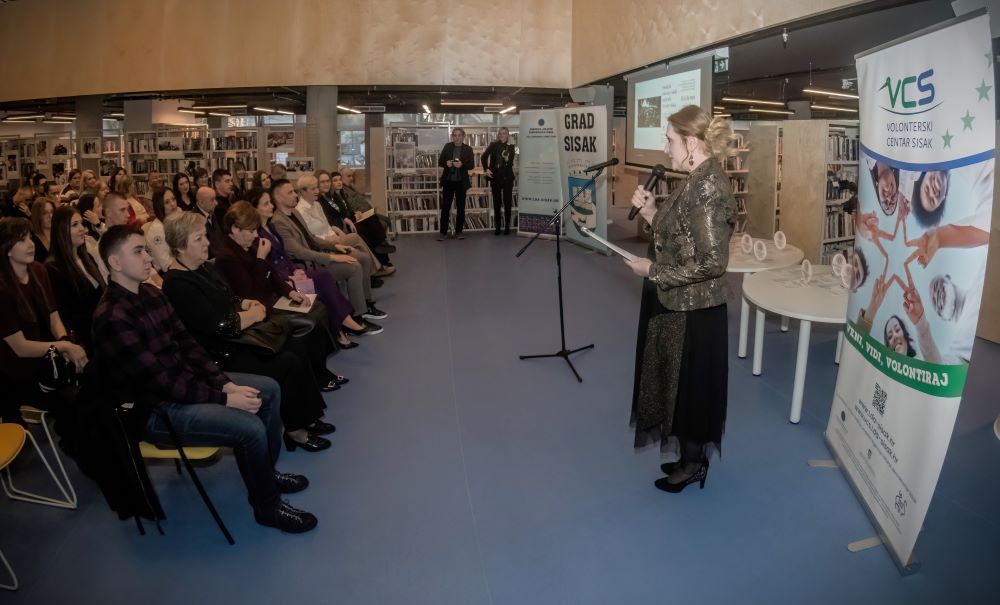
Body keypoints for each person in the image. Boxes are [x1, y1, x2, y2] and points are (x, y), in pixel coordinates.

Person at [92, 225, 318, 533]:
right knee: (250, 427)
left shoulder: (151, 293)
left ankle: (266, 473)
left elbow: (188, 345)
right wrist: (225, 399)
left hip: (184, 386)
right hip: (155, 411)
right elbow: (161, 383)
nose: (148, 258)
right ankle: (268, 508)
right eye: (138, 251)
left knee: (269, 389)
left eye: (146, 249)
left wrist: (225, 383)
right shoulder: (112, 317)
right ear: (115, 262)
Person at [625, 105, 737, 493]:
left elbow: (712, 262)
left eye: (670, 139)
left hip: (696, 311)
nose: (665, 147)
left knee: (690, 389)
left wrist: (654, 272)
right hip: (681, 304)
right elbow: (681, 236)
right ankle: (690, 456)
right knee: (680, 386)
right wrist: (651, 212)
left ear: (691, 143)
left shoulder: (707, 188)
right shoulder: (695, 179)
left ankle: (693, 466)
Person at [161, 211, 336, 452]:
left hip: (235, 340)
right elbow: (219, 326)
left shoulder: (198, 268)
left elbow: (226, 295)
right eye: (198, 239)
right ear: (180, 246)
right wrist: (253, 315)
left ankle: (307, 418)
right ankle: (296, 431)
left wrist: (244, 303)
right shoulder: (177, 283)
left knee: (296, 347)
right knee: (286, 362)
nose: (207, 243)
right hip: (219, 354)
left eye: (205, 236)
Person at [245, 189, 380, 342]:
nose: (271, 206)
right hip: (290, 274)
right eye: (266, 204)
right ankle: (350, 322)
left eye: (270, 202)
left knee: (341, 266)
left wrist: (333, 248)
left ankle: (351, 318)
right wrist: (330, 257)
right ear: (254, 209)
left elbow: (304, 242)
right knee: (336, 272)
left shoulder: (275, 225)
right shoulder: (268, 228)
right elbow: (289, 256)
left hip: (297, 268)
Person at [0, 217, 87, 429]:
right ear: (7, 249)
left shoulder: (39, 270)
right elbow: (20, 348)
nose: (31, 244)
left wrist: (65, 342)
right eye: (22, 240)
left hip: (49, 357)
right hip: (20, 371)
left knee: (91, 380)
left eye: (30, 238)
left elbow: (53, 315)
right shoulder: (3, 288)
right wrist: (64, 347)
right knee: (74, 400)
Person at [270, 179, 387, 324]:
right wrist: (332, 257)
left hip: (318, 254)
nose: (295, 195)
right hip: (307, 265)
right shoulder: (278, 222)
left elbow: (311, 238)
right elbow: (299, 252)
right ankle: (358, 315)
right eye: (290, 192)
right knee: (354, 266)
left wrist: (335, 247)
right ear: (279, 198)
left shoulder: (294, 213)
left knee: (362, 258)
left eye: (294, 191)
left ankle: (367, 303)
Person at [296, 175, 388, 282]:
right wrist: (328, 238)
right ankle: (374, 269)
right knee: (361, 246)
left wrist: (333, 234)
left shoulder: (317, 204)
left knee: (358, 237)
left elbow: (327, 225)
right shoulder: (300, 211)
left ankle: (372, 269)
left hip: (334, 236)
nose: (317, 191)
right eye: (313, 189)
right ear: (303, 191)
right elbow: (310, 236)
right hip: (324, 245)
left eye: (317, 187)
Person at [45, 205, 106, 352]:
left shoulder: (87, 257)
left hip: (103, 331)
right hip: (87, 341)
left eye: (82, 224)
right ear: (61, 230)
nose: (82, 229)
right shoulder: (53, 268)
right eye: (74, 225)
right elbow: (66, 315)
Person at [328, 171, 395, 270]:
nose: (339, 182)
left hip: (352, 219)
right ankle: (382, 249)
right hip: (347, 224)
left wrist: (355, 213)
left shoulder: (341, 194)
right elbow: (342, 215)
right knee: (368, 228)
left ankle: (382, 249)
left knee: (374, 219)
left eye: (340, 180)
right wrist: (354, 216)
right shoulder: (333, 197)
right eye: (335, 180)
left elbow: (347, 211)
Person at [437, 128, 474, 240]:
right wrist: (446, 163)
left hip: (461, 183)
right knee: (445, 208)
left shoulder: (468, 149)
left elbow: (471, 165)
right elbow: (440, 162)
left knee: (461, 208)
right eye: (455, 135)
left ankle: (459, 232)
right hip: (448, 181)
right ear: (452, 136)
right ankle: (443, 232)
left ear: (463, 136)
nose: (457, 137)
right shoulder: (447, 146)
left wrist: (462, 165)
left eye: (459, 135)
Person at [481, 127, 517, 235]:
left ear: (508, 135)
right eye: (500, 133)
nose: (502, 135)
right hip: (495, 177)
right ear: (498, 134)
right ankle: (497, 226)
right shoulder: (493, 145)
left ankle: (507, 226)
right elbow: (483, 157)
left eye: (504, 133)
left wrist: (507, 159)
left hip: (507, 178)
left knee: (507, 202)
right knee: (496, 202)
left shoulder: (511, 147)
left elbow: (510, 163)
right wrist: (486, 169)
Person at [143, 189, 181, 272]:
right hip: (168, 273)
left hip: (181, 266)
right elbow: (166, 265)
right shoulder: (157, 230)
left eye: (173, 199)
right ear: (159, 206)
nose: (173, 204)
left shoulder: (173, 221)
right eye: (167, 202)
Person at [189, 186, 224, 258]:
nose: (216, 203)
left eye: (215, 199)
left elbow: (219, 237)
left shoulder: (211, 212)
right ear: (201, 202)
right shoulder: (194, 220)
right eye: (212, 200)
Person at [29, 197, 56, 262]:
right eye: (44, 213)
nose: (50, 216)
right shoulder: (34, 243)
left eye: (52, 212)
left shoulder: (60, 236)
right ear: (38, 216)